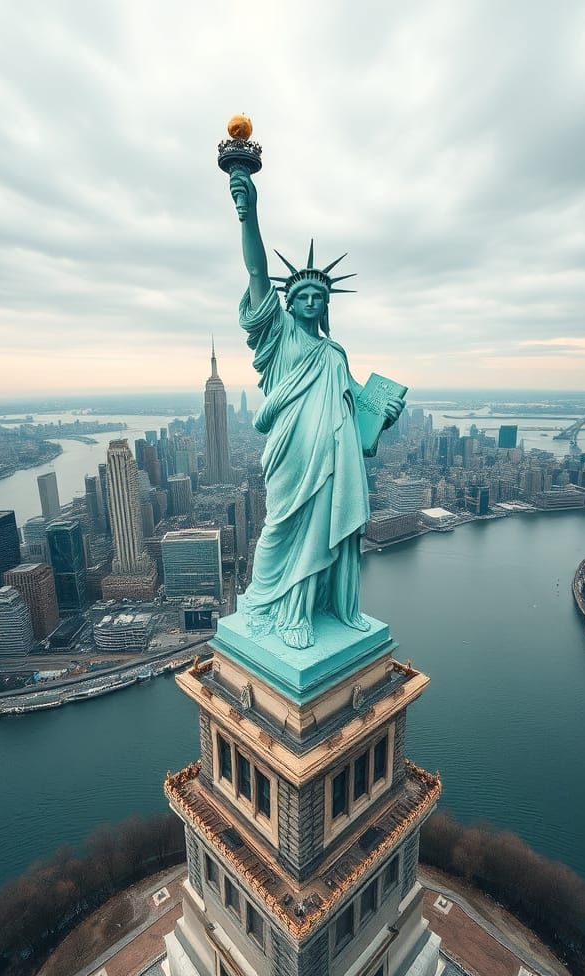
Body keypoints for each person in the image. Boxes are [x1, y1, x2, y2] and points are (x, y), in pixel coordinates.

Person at [228, 168, 404, 649]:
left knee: (325, 529)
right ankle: (270, 603)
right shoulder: (279, 334)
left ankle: (312, 610)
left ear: (326, 305)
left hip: (333, 456)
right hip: (292, 452)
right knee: (282, 527)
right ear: (289, 301)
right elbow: (257, 272)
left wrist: (382, 416)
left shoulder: (334, 353)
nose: (309, 300)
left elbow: (356, 408)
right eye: (301, 295)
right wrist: (250, 215)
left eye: (318, 296)